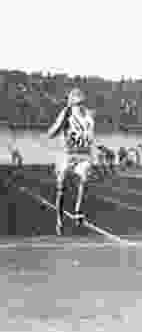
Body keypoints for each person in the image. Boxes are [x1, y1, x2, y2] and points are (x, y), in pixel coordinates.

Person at [47, 88, 96, 235]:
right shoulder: (66, 114)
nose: (80, 106)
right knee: (61, 189)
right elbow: (51, 134)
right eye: (77, 103)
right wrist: (61, 123)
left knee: (86, 176)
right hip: (66, 156)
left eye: (82, 103)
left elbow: (89, 137)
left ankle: (78, 210)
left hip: (83, 156)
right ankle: (59, 220)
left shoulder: (89, 116)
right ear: (71, 104)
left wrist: (97, 146)